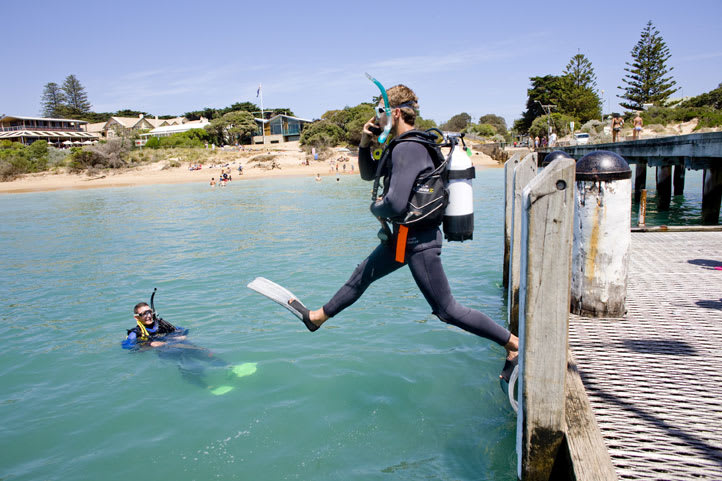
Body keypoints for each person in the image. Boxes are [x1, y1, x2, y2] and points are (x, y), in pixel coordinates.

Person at [288, 84, 519, 380]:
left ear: (395, 112)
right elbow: (369, 173)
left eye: (380, 112)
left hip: (418, 242)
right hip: (402, 239)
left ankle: (513, 344)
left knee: (446, 310)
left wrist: (374, 208)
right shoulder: (404, 145)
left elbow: (395, 202)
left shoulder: (408, 148)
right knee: (363, 275)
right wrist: (364, 141)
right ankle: (317, 318)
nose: (378, 117)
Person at [122, 302, 256, 394]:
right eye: (144, 314)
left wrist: (181, 335)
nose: (148, 315)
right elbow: (127, 346)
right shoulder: (136, 332)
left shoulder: (161, 324)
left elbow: (182, 329)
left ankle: (230, 368)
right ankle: (209, 387)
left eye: (149, 312)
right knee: (186, 364)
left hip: (177, 343)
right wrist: (148, 345)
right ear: (137, 317)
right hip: (166, 351)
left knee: (201, 351)